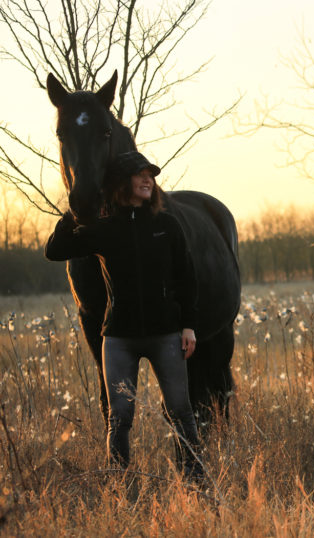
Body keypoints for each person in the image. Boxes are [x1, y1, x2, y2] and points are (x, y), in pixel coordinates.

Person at [45, 151, 203, 482]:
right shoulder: (105, 228)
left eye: (150, 174)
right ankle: (120, 486)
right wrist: (75, 213)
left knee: (181, 412)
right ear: (121, 183)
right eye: (139, 174)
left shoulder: (167, 225)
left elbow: (187, 277)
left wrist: (188, 325)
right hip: (118, 338)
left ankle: (195, 479)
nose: (148, 179)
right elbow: (55, 251)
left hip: (166, 335)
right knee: (119, 416)